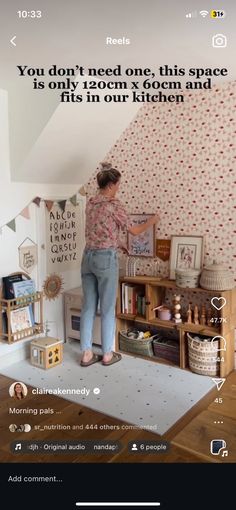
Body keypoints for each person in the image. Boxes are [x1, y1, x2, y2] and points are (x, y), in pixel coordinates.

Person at [80, 162, 160, 367]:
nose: (119, 188)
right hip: (105, 259)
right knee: (107, 308)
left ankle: (87, 354)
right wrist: (152, 221)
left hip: (88, 257)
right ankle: (107, 354)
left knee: (88, 307)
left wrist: (118, 243)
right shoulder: (114, 205)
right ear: (111, 184)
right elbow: (134, 231)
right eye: (118, 185)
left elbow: (98, 229)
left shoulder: (91, 202)